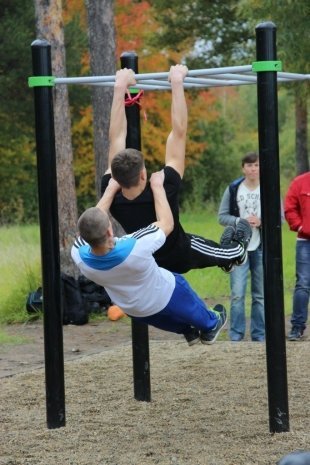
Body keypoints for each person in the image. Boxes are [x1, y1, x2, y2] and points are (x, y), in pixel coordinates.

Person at [100, 66, 252, 278]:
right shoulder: (164, 186)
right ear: (143, 175)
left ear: (116, 177)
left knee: (207, 250)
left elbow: (116, 137)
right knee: (229, 254)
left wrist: (119, 87)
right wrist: (177, 82)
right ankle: (234, 255)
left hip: (148, 259)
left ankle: (227, 259)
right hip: (178, 253)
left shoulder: (111, 193)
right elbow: (179, 132)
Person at [72, 170, 227, 346]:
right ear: (109, 231)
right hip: (167, 294)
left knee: (167, 320)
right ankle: (211, 325)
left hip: (134, 309)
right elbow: (167, 224)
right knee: (189, 299)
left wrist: (109, 191)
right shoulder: (135, 246)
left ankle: (188, 331)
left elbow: (90, 226)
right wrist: (157, 186)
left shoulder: (78, 255)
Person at [218, 152, 265, 342]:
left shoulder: (268, 188)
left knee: (260, 296)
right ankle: (236, 336)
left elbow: (280, 218)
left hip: (261, 248)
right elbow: (222, 217)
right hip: (239, 250)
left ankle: (259, 335)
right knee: (237, 295)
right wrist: (240, 221)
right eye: (249, 165)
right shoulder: (234, 188)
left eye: (256, 165)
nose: (253, 169)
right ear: (243, 168)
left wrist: (261, 221)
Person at [285, 171, 310, 341]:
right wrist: (300, 227)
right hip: (305, 241)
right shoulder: (300, 182)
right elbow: (290, 207)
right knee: (303, 284)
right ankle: (297, 327)